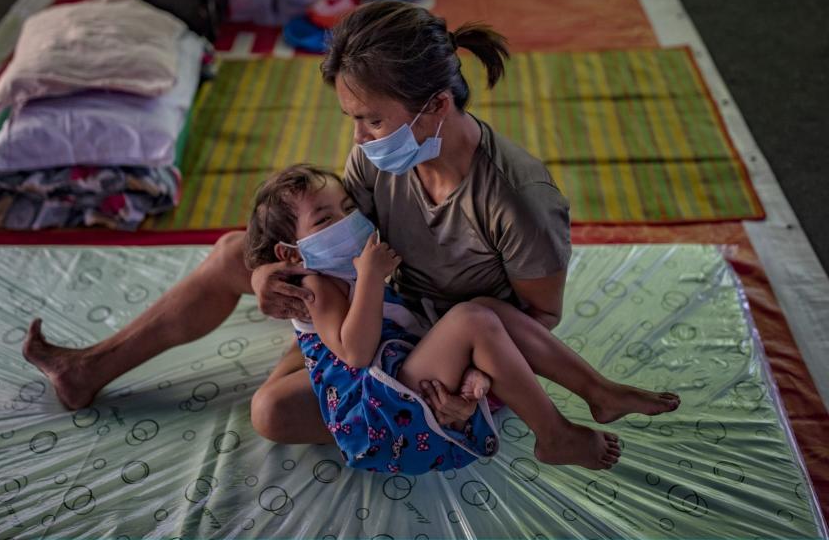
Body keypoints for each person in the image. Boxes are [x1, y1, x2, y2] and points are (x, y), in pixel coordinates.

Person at [23, 0, 679, 448]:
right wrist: (270, 272)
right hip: (378, 298)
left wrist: (477, 380)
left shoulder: (517, 199)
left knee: (272, 412)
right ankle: (87, 371)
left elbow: (538, 319)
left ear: (436, 107)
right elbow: (337, 236)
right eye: (352, 120)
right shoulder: (380, 153)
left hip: (451, 342)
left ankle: (433, 404)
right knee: (233, 252)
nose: (360, 139)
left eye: (371, 120)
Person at [245, 164, 669, 472]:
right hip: (377, 413)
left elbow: (402, 329)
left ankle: (597, 390)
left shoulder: (345, 266)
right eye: (325, 219)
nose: (348, 220)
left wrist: (467, 367)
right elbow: (355, 352)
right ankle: (554, 435)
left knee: (486, 310)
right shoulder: (316, 285)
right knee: (472, 320)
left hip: (394, 383)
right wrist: (371, 276)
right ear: (291, 253)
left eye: (347, 206)